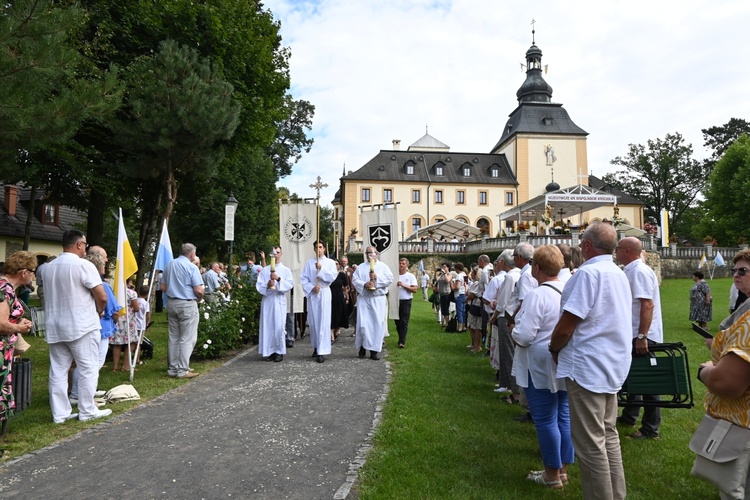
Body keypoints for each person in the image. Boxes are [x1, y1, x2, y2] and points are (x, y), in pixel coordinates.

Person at [548, 221, 632, 500]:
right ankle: (615, 495)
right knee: (608, 435)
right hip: (611, 364)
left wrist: (554, 347)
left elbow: (567, 324)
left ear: (585, 246)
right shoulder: (618, 273)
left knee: (590, 443)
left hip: (589, 366)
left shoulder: (588, 274)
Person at [511, 245, 573, 490]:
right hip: (562, 358)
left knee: (546, 418)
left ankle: (551, 474)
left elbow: (525, 335)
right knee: (563, 416)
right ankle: (562, 469)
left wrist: (514, 330)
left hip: (539, 361)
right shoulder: (568, 290)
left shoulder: (538, 294)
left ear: (536, 268)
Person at [696, 250, 750, 498]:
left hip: (742, 426)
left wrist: (705, 371)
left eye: (743, 271)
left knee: (736, 490)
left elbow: (728, 382)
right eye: (734, 271)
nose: (735, 276)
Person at [42, 230, 111, 423]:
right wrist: (99, 310)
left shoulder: (48, 267)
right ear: (79, 245)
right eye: (85, 245)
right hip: (81, 324)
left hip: (56, 323)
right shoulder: (83, 265)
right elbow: (102, 295)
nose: (86, 249)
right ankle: (87, 410)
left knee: (58, 370)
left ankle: (60, 413)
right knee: (88, 367)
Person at [615, 237, 664, 440]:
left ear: (627, 250)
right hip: (634, 333)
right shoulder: (631, 269)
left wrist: (642, 336)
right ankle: (630, 415)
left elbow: (647, 305)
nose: (615, 252)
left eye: (618, 249)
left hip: (642, 334)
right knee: (634, 376)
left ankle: (651, 428)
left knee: (649, 383)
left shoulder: (639, 271)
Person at [70, 252, 119, 406]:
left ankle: (87, 391)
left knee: (86, 363)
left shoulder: (81, 283)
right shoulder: (102, 285)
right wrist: (115, 322)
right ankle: (78, 394)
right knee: (93, 364)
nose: (105, 266)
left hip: (85, 326)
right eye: (104, 264)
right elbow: (113, 309)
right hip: (101, 328)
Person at [0, 252, 36, 426]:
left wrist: (19, 320)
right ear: (23, 272)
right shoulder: (4, 289)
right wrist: (19, 328)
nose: (33, 275)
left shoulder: (8, 288)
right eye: (32, 271)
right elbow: (1, 324)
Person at [161, 243, 204, 378]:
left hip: (172, 302)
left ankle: (172, 368)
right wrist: (199, 297)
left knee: (174, 337)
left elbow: (163, 286)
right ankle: (182, 370)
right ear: (192, 254)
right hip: (187, 303)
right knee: (187, 338)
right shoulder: (192, 267)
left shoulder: (169, 265)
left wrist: (174, 291)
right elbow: (198, 289)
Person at [352, 247, 393, 360]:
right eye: (368, 253)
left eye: (372, 252)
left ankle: (374, 350)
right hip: (365, 299)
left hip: (378, 299)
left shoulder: (383, 267)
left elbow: (390, 278)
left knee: (377, 324)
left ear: (377, 254)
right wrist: (365, 284)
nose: (370, 255)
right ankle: (362, 347)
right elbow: (354, 280)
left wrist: (377, 278)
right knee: (363, 324)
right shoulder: (361, 267)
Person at [489, 249, 520, 397]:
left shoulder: (510, 277)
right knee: (508, 351)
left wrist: (494, 315)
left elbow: (503, 301)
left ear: (503, 262)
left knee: (507, 352)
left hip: (505, 316)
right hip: (512, 315)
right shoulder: (519, 274)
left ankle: (511, 385)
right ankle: (506, 383)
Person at [300, 241, 337, 363]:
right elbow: (304, 278)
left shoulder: (330, 263)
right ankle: (316, 346)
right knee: (313, 321)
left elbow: (332, 276)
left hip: (324, 292)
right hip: (314, 294)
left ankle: (322, 350)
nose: (318, 249)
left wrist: (321, 269)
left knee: (323, 321)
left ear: (324, 249)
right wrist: (311, 287)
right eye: (316, 247)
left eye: (320, 247)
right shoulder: (309, 263)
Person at [256, 246, 293, 362]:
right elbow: (259, 285)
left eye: (277, 253)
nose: (275, 255)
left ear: (281, 254)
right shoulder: (265, 270)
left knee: (279, 326)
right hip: (268, 299)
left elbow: (289, 284)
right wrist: (267, 285)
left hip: (278, 298)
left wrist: (279, 279)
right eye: (273, 253)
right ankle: (269, 351)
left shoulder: (286, 270)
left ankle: (279, 351)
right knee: (268, 326)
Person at [110, 278, 140, 372]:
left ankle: (115, 367)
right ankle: (126, 366)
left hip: (117, 319)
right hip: (128, 320)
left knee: (117, 344)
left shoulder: (114, 292)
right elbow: (136, 308)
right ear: (128, 282)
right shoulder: (131, 293)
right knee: (130, 342)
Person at [395, 258, 418, 348]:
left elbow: (414, 289)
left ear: (407, 265)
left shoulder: (410, 276)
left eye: (403, 264)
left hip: (406, 300)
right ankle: (401, 337)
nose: (401, 265)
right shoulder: (395, 276)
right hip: (396, 300)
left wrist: (403, 285)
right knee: (397, 321)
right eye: (400, 263)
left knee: (404, 321)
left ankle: (402, 341)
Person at [330, 259, 350, 342]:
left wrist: (347, 298)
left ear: (339, 265)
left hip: (339, 296)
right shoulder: (329, 275)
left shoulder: (342, 275)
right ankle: (331, 336)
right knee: (331, 315)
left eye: (337, 264)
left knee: (338, 314)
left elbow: (345, 287)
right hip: (330, 296)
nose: (335, 265)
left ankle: (337, 329)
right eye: (333, 264)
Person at [453, 262, 467, 332]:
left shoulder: (459, 276)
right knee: (463, 311)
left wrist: (453, 288)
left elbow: (458, 286)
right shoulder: (465, 275)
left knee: (459, 311)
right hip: (464, 293)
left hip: (459, 294)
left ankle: (460, 327)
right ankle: (464, 326)